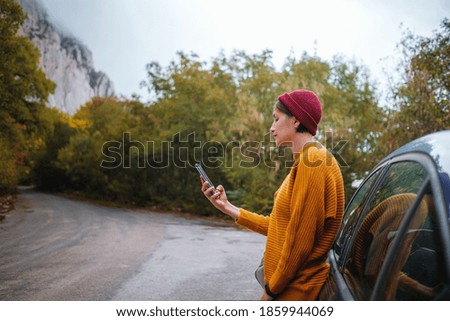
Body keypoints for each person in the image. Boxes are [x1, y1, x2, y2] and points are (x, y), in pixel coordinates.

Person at [200, 89, 345, 300]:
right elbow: (280, 227)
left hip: (295, 291)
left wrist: (271, 290)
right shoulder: (309, 160)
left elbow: (299, 243)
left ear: (296, 120)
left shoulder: (312, 162)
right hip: (290, 288)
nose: (271, 128)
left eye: (276, 119)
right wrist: (227, 207)